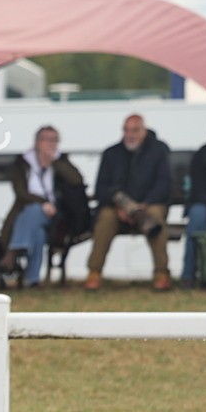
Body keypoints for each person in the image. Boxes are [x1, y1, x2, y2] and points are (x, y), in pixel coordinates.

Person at [85, 115, 174, 291]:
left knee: (155, 217)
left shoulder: (158, 152)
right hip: (117, 208)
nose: (129, 134)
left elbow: (164, 185)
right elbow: (101, 188)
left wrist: (144, 205)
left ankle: (161, 273)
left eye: (134, 130)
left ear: (144, 131)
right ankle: (94, 272)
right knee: (105, 218)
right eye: (126, 130)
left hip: (149, 205)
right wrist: (120, 207)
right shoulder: (111, 153)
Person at [0, 126, 86, 287]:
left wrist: (55, 162)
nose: (52, 144)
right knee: (37, 229)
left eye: (55, 140)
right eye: (48, 140)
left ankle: (13, 251)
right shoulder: (22, 163)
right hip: (25, 213)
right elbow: (21, 192)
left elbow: (76, 180)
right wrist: (42, 203)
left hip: (58, 216)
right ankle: (33, 280)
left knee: (35, 214)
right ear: (37, 142)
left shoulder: (61, 161)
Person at [182, 137, 206, 288]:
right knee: (198, 215)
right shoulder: (204, 154)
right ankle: (188, 276)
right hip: (205, 204)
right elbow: (198, 189)